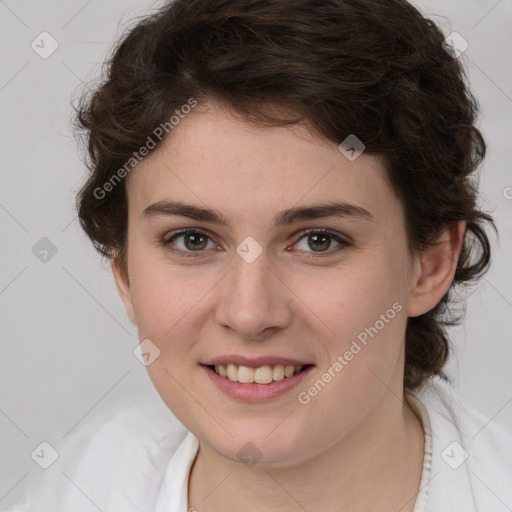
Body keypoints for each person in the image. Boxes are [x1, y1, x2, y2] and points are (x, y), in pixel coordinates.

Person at [6, 0, 511, 511]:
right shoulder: (83, 481)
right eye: (192, 240)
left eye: (319, 240)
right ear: (124, 272)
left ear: (430, 263)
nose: (249, 314)